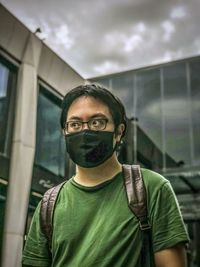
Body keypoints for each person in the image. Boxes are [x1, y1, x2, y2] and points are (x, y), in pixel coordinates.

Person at [22, 84, 189, 267]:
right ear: (65, 132)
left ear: (119, 132)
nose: (85, 131)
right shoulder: (48, 204)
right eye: (75, 124)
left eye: (97, 122)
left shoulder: (152, 188)